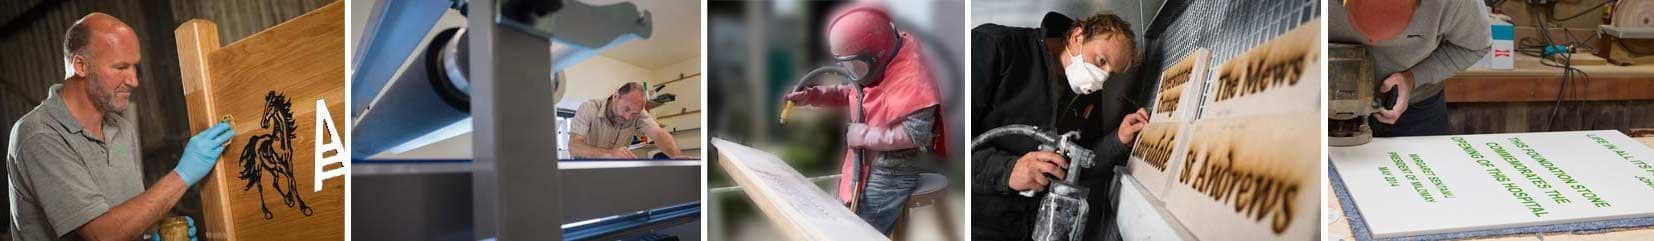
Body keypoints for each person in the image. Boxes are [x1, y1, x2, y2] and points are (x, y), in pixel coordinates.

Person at [7, 13, 230, 241]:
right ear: (81, 66)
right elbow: (103, 235)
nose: (134, 81)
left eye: (135, 67)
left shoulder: (122, 130)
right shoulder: (39, 134)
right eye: (121, 67)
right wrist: (182, 175)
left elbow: (127, 220)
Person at [970, 12, 1149, 240]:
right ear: (1077, 36)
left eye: (1110, 73)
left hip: (1031, 229)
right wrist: (1007, 171)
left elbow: (1080, 166)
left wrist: (1119, 140)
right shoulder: (996, 46)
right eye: (1101, 61)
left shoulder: (1085, 97)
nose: (1102, 79)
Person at [781, 3, 948, 234]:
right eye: (845, 64)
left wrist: (863, 135)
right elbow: (852, 91)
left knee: (859, 231)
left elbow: (916, 134)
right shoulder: (876, 64)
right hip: (864, 160)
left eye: (856, 66)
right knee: (840, 219)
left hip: (893, 171)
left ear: (876, 54)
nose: (851, 72)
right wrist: (814, 96)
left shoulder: (913, 78)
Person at [1332, 0, 1490, 136]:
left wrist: (1414, 77)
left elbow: (1475, 46)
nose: (1375, 42)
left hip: (1415, 108)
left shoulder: (1455, 3)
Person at [568, 82, 687, 159]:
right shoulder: (589, 108)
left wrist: (678, 156)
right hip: (585, 171)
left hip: (616, 172)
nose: (628, 117)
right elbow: (574, 146)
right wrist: (609, 154)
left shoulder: (637, 113)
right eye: (626, 109)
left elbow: (658, 133)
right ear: (616, 97)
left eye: (634, 113)